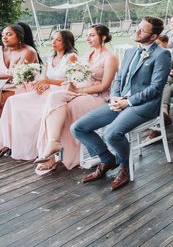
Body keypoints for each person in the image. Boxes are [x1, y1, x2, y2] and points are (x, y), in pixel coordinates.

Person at [71, 16, 171, 191]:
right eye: (138, 27)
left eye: (142, 30)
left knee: (111, 134)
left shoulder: (162, 54)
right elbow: (118, 79)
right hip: (120, 101)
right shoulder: (130, 52)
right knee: (78, 128)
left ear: (154, 37)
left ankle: (125, 166)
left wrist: (129, 102)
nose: (137, 31)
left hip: (144, 106)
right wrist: (115, 97)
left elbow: (156, 88)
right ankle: (107, 159)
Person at [33, 25, 118, 174]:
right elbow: (77, 77)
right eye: (87, 35)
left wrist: (78, 90)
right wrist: (71, 83)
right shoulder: (87, 54)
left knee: (66, 110)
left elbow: (104, 86)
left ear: (103, 37)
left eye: (91, 35)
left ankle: (59, 156)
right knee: (54, 98)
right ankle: (53, 143)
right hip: (81, 91)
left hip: (98, 97)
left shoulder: (110, 57)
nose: (87, 38)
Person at [0, 30, 77, 159]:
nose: (53, 42)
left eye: (58, 40)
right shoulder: (50, 57)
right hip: (48, 90)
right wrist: (42, 86)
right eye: (53, 38)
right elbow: (45, 78)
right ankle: (8, 142)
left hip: (61, 92)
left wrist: (47, 82)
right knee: (13, 101)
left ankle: (37, 148)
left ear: (66, 42)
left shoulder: (71, 57)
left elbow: (72, 81)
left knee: (34, 112)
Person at [0, 23, 40, 112]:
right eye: (3, 35)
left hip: (25, 88)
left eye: (9, 34)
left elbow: (15, 75)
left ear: (19, 36)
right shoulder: (1, 50)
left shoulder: (29, 51)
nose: (4, 37)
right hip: (4, 87)